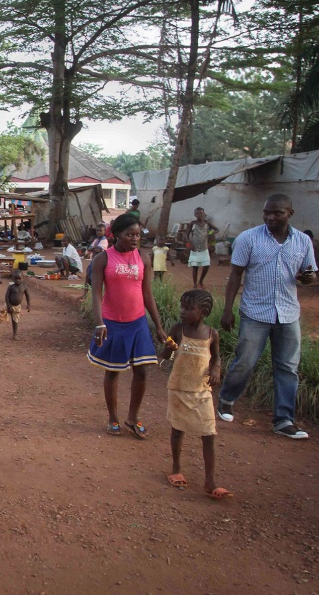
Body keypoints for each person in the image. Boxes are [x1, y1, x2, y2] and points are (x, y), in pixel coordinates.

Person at [217, 194, 317, 440]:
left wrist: (308, 278)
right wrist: (228, 309)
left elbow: (311, 273)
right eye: (266, 212)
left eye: (277, 213)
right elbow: (235, 275)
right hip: (255, 313)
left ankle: (283, 419)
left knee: (287, 368)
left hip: (288, 313)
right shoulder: (248, 238)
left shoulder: (303, 241)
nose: (270, 217)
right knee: (246, 361)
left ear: (289, 213)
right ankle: (226, 400)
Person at [88, 213, 168, 439]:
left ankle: (132, 417)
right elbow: (96, 294)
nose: (134, 238)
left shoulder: (143, 258)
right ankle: (113, 418)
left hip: (137, 322)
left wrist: (158, 326)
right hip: (112, 323)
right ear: (116, 235)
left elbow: (147, 294)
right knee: (112, 371)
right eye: (129, 234)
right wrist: (99, 324)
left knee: (141, 371)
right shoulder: (103, 259)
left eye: (137, 234)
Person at [161, 290, 233, 499]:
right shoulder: (177, 330)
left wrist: (216, 370)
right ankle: (176, 468)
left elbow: (216, 358)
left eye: (188, 308)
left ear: (204, 312)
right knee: (178, 429)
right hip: (179, 388)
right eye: (182, 307)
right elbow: (165, 355)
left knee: (209, 434)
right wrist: (168, 348)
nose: (182, 311)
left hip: (201, 390)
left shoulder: (212, 334)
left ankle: (210, 481)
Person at [0, 269, 31, 340]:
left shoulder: (24, 287)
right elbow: (6, 296)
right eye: (16, 279)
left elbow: (27, 296)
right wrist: (9, 306)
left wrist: (28, 305)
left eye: (19, 279)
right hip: (8, 304)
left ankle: (15, 334)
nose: (18, 280)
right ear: (13, 279)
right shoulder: (11, 287)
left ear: (22, 278)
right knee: (1, 316)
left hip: (17, 307)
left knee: (15, 320)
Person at [187, 207, 218, 289]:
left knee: (206, 265)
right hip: (195, 249)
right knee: (195, 266)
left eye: (201, 213)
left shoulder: (207, 223)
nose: (200, 215)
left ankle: (201, 281)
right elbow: (186, 235)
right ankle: (195, 283)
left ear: (204, 214)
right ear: (195, 215)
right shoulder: (192, 223)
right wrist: (191, 244)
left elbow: (217, 229)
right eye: (198, 213)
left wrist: (210, 233)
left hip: (204, 248)